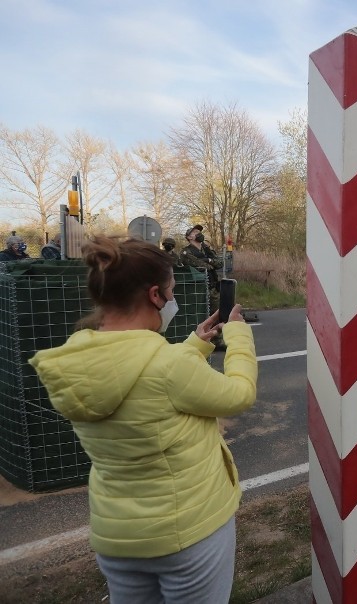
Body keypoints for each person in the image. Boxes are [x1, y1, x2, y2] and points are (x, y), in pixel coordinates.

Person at [29, 236, 257, 603]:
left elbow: (143, 378)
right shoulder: (169, 367)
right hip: (187, 534)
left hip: (119, 540)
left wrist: (195, 345)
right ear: (155, 295)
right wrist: (240, 337)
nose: (174, 300)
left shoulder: (73, 362)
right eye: (172, 291)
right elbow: (239, 394)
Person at [181, 225, 224, 346]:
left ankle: (216, 340)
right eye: (195, 232)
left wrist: (209, 260)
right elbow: (204, 267)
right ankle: (198, 341)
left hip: (213, 287)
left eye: (199, 231)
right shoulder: (186, 251)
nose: (199, 233)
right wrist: (209, 262)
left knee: (215, 315)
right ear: (189, 237)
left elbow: (219, 263)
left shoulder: (206, 249)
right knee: (200, 317)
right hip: (198, 289)